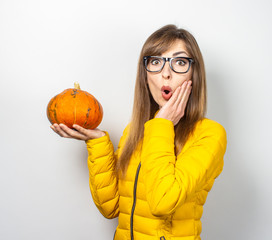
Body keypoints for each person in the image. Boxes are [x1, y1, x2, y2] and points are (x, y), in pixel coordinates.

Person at [51, 24, 227, 240]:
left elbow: (162, 202)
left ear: (194, 75)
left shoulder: (209, 134)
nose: (166, 74)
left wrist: (162, 124)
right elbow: (113, 208)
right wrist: (97, 144)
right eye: (155, 62)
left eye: (180, 62)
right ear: (145, 76)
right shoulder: (135, 131)